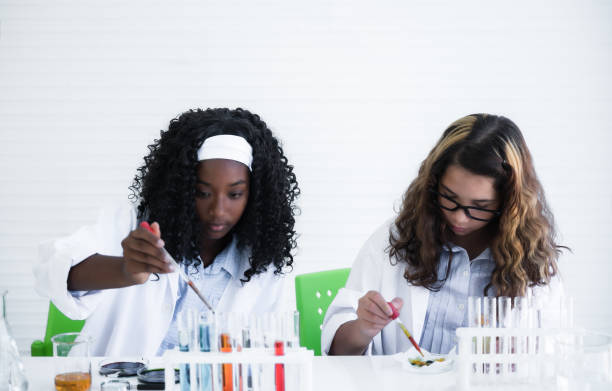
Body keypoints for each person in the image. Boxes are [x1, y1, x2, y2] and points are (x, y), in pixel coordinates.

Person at [34, 108, 300, 356]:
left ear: (254, 196)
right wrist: (125, 271)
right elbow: (51, 270)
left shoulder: (264, 263)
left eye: (235, 194)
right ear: (181, 188)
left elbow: (273, 357)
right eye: (202, 192)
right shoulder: (131, 227)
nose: (218, 210)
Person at [322, 114, 565, 356]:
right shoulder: (393, 239)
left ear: (510, 203)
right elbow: (337, 352)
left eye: (479, 206)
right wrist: (364, 328)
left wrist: (522, 355)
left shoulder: (532, 263)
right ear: (432, 184)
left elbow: (553, 357)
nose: (460, 218)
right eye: (449, 198)